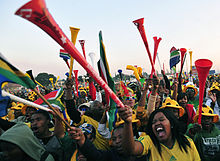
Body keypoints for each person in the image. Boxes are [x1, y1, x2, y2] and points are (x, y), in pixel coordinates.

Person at [117, 107, 201, 161]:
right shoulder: (149, 141)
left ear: (171, 124)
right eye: (154, 122)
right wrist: (128, 123)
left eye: (161, 120)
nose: (157, 123)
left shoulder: (187, 142)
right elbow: (131, 150)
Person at [68, 123, 145, 161]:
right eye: (114, 139)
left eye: (121, 137)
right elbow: (95, 155)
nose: (117, 141)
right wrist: (81, 139)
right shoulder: (111, 155)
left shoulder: (145, 153)